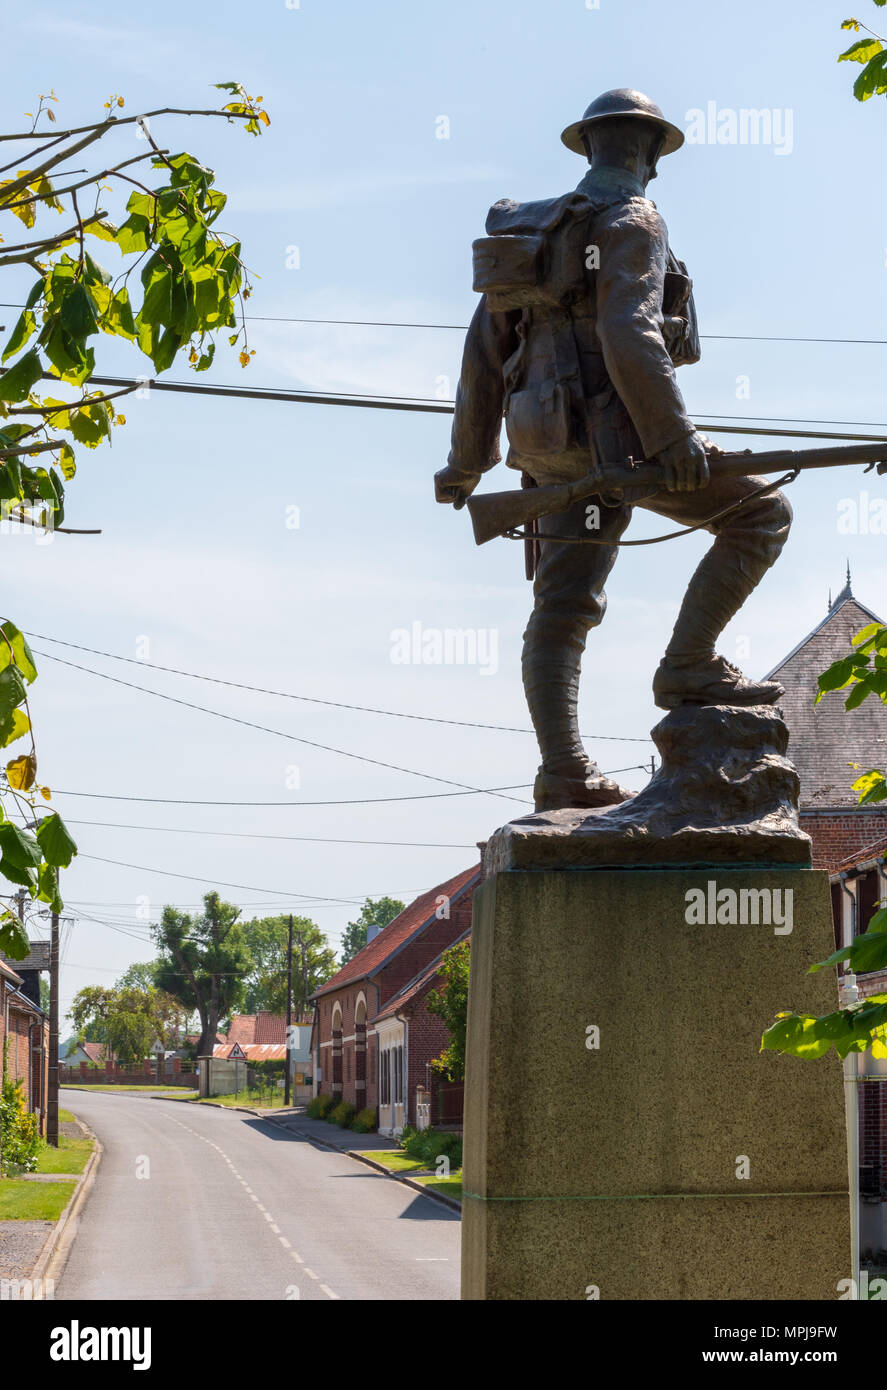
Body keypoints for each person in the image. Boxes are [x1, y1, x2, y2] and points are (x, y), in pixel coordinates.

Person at [434, 90, 790, 813]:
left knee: (561, 605)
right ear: (650, 153)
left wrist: (467, 461)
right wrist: (672, 439)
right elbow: (631, 331)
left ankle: (563, 773)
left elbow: (481, 355)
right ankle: (688, 666)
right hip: (622, 444)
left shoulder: (532, 230)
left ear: (589, 148)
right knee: (762, 514)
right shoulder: (635, 217)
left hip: (546, 450)